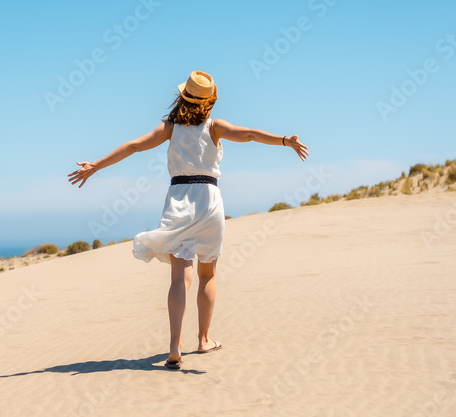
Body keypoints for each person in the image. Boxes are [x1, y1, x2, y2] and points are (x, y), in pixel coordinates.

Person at [68, 71, 309, 370]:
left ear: (183, 97)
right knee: (207, 274)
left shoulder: (169, 129)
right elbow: (248, 135)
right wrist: (285, 141)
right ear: (210, 101)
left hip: (179, 199)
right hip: (209, 200)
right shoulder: (214, 127)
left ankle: (173, 347)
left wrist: (95, 166)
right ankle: (204, 340)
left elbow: (133, 146)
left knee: (179, 277)